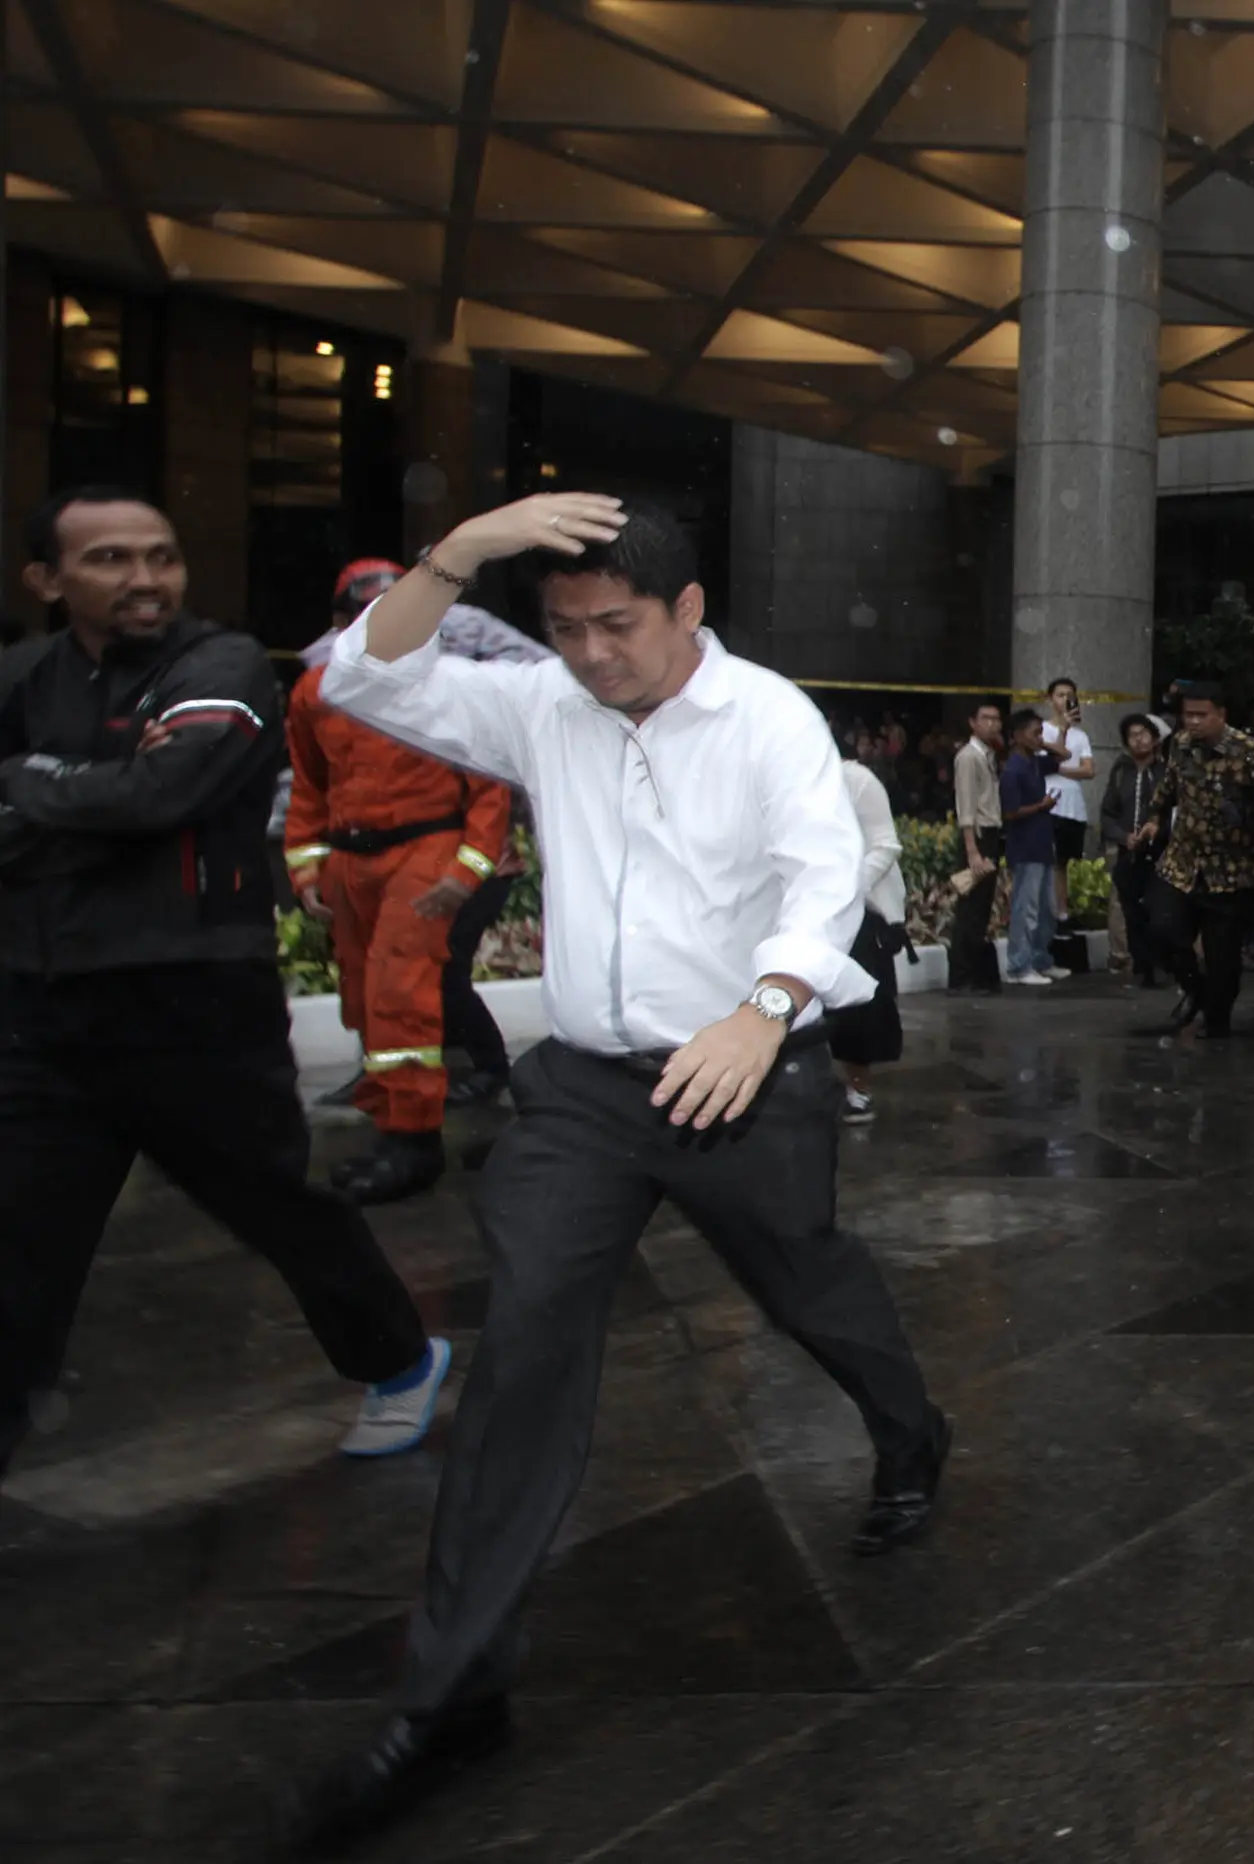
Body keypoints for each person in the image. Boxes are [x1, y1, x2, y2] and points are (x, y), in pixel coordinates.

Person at [283, 492, 948, 1852]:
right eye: (566, 628)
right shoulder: (543, 709)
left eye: (619, 628)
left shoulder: (767, 718)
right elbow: (363, 672)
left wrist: (762, 1012)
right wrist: (459, 552)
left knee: (807, 1285)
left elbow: (820, 881)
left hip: (745, 1069)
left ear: (688, 611)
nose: (591, 655)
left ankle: (909, 1432)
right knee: (521, 1345)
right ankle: (455, 1692)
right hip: (587, 1089)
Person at [0, 489, 451, 1476]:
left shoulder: (222, 663)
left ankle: (399, 1358)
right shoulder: (24, 677)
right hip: (41, 1012)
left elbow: (165, 794)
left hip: (194, 1005)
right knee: (22, 1242)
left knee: (276, 1208)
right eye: (111, 559)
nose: (145, 579)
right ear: (46, 579)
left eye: (160, 556)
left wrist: (32, 784)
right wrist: (95, 790)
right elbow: (127, 800)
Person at [282, 559, 520, 1205]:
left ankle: (412, 1140)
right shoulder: (316, 693)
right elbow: (310, 786)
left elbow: (488, 792)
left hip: (424, 851)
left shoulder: (451, 688)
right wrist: (307, 870)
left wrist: (462, 870)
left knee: (401, 991)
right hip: (352, 862)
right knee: (363, 993)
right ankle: (390, 1119)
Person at [1135, 680, 1254, 1038]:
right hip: (1183, 860)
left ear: (1221, 715)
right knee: (1160, 927)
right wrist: (1154, 818)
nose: (1194, 722)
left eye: (1202, 715)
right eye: (1188, 715)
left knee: (1223, 958)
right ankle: (1194, 988)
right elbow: (1168, 786)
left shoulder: (1246, 750)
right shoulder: (1181, 746)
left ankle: (1216, 1021)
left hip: (1229, 868)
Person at [830, 730, 906, 1123]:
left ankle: (859, 1089)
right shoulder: (785, 783)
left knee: (858, 1007)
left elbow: (886, 846)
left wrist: (844, 891)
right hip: (803, 907)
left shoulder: (855, 780)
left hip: (860, 909)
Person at [1105, 712, 1169, 984]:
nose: (1139, 739)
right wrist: (1122, 837)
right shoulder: (1121, 772)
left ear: (1155, 739)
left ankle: (1162, 963)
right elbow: (1107, 813)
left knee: (1159, 908)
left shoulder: (1167, 772)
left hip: (1162, 851)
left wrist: (1159, 828)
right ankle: (1139, 965)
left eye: (1144, 734)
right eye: (1133, 735)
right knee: (1129, 909)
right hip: (1129, 852)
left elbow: (1176, 811)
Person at [999, 711, 1061, 987]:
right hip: (1025, 847)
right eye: (1035, 732)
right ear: (1018, 735)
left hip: (1042, 843)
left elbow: (1064, 755)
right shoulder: (1013, 769)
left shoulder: (1035, 762)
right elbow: (1009, 813)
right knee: (1027, 908)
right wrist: (1040, 807)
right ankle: (1018, 965)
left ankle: (1039, 959)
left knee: (1047, 907)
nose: (1040, 737)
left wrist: (1042, 743)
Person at [946, 697, 1003, 995]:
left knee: (980, 909)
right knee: (970, 908)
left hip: (990, 834)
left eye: (996, 718)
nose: (992, 724)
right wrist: (972, 850)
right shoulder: (969, 756)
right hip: (977, 835)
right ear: (973, 722)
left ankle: (973, 975)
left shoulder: (988, 754)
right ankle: (961, 977)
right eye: (986, 718)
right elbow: (965, 806)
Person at [1034, 676, 1096, 924]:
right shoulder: (1042, 730)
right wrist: (1062, 731)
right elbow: (1051, 760)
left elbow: (1089, 770)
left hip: (1073, 807)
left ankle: (1062, 913)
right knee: (1047, 861)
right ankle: (1046, 913)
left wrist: (1059, 768)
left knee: (1063, 864)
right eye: (1060, 695)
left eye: (1070, 695)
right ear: (1050, 699)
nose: (1065, 700)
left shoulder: (1081, 735)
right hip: (1050, 802)